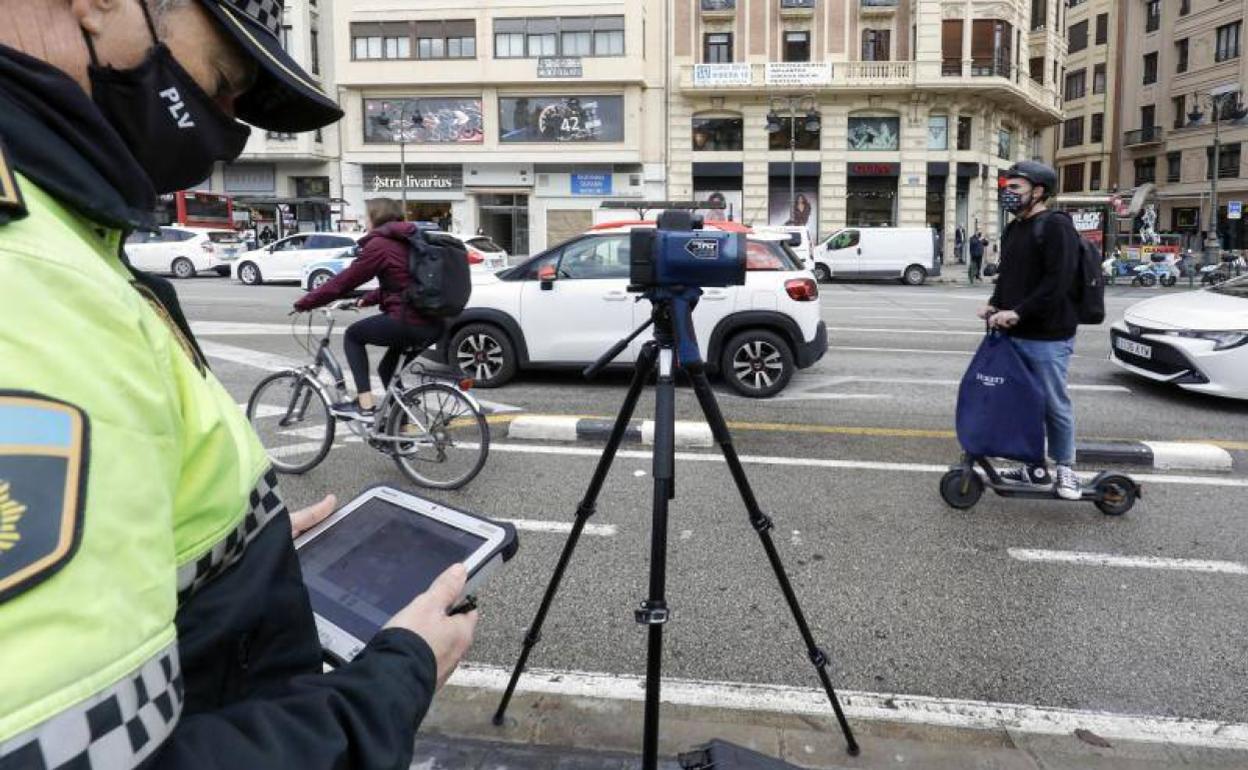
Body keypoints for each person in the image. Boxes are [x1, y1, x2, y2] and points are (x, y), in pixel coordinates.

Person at [0, 1, 476, 768]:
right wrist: (389, 688)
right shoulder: (33, 276)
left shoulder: (62, 236)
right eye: (221, 80)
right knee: (370, 342)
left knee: (358, 342)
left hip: (392, 320)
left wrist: (233, 572)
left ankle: (363, 401)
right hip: (420, 321)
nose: (231, 121)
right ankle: (376, 398)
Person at [976, 161, 1082, 500]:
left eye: (1015, 188)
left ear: (1038, 192)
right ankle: (1034, 468)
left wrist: (1017, 312)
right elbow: (1009, 276)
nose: (1007, 193)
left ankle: (1066, 469)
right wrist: (995, 304)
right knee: (1023, 404)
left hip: (1048, 335)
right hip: (1015, 333)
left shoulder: (1056, 227)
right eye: (1006, 187)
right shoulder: (1014, 229)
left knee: (1053, 403)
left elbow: (1058, 282)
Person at [292, 198, 446, 420]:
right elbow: (405, 286)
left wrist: (306, 302)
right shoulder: (411, 241)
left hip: (409, 322)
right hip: (434, 323)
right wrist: (366, 300)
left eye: (366, 216)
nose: (365, 221)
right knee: (387, 371)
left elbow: (344, 282)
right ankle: (400, 430)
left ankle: (364, 405)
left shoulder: (381, 244)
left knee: (353, 336)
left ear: (376, 217)